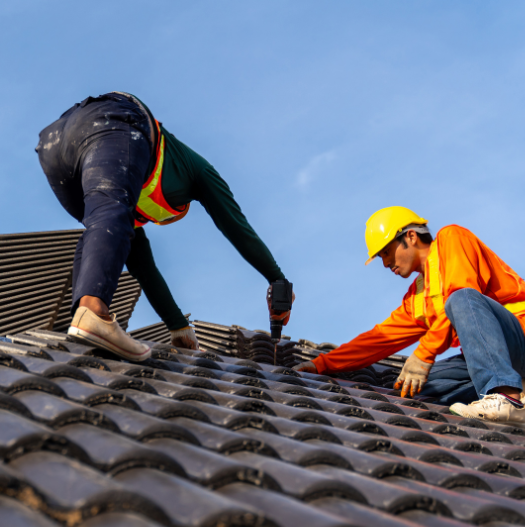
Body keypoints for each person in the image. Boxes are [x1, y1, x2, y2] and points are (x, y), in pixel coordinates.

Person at [36, 91, 292, 362]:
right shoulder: (197, 171)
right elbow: (237, 226)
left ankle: (81, 323)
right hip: (114, 120)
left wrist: (178, 326)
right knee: (112, 216)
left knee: (100, 231)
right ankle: (92, 312)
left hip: (54, 146)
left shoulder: (127, 194)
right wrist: (277, 279)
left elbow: (143, 267)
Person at [295, 206, 525, 424]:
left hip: (519, 341)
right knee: (418, 386)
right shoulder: (418, 298)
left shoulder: (452, 239)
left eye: (386, 252)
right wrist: (321, 364)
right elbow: (379, 339)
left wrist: (424, 354)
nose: (385, 263)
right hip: (505, 362)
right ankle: (516, 392)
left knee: (461, 299)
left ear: (411, 236)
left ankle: (508, 397)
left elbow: (461, 292)